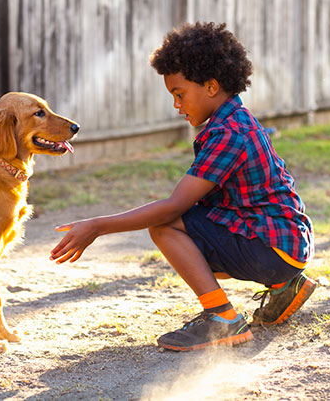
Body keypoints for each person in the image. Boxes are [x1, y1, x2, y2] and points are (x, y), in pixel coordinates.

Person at [50, 22, 315, 351]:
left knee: (165, 225)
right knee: (196, 218)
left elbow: (175, 207)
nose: (176, 104)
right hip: (287, 242)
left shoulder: (228, 132)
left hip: (272, 245)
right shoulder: (236, 119)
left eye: (179, 94)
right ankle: (284, 285)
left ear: (211, 86)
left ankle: (222, 319)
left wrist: (97, 226)